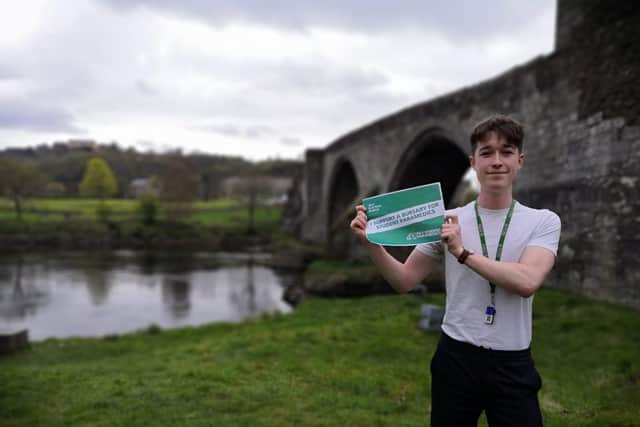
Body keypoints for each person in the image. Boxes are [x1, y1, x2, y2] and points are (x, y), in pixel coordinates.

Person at [349, 114, 561, 427]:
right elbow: (405, 281)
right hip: (455, 358)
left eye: (506, 152)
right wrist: (372, 245)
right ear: (473, 162)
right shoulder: (446, 219)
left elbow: (527, 281)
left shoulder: (543, 221)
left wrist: (462, 253)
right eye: (487, 153)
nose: (497, 161)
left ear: (520, 161)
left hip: (511, 362)